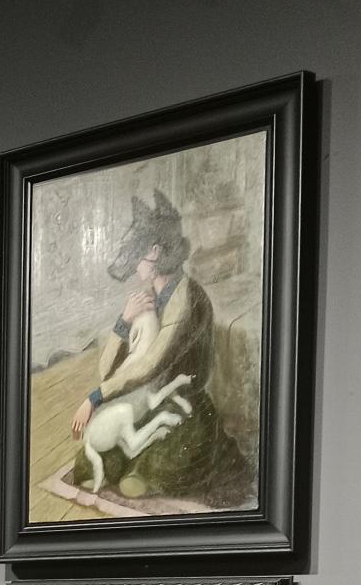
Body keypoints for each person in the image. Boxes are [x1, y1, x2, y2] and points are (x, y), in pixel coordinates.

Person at [68, 189, 249, 504]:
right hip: (144, 395)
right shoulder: (147, 299)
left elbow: (151, 363)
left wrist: (95, 397)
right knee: (91, 459)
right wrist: (124, 322)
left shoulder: (187, 300)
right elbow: (108, 370)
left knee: (151, 468)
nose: (133, 263)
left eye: (136, 253)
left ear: (154, 252)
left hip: (180, 399)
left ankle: (145, 471)